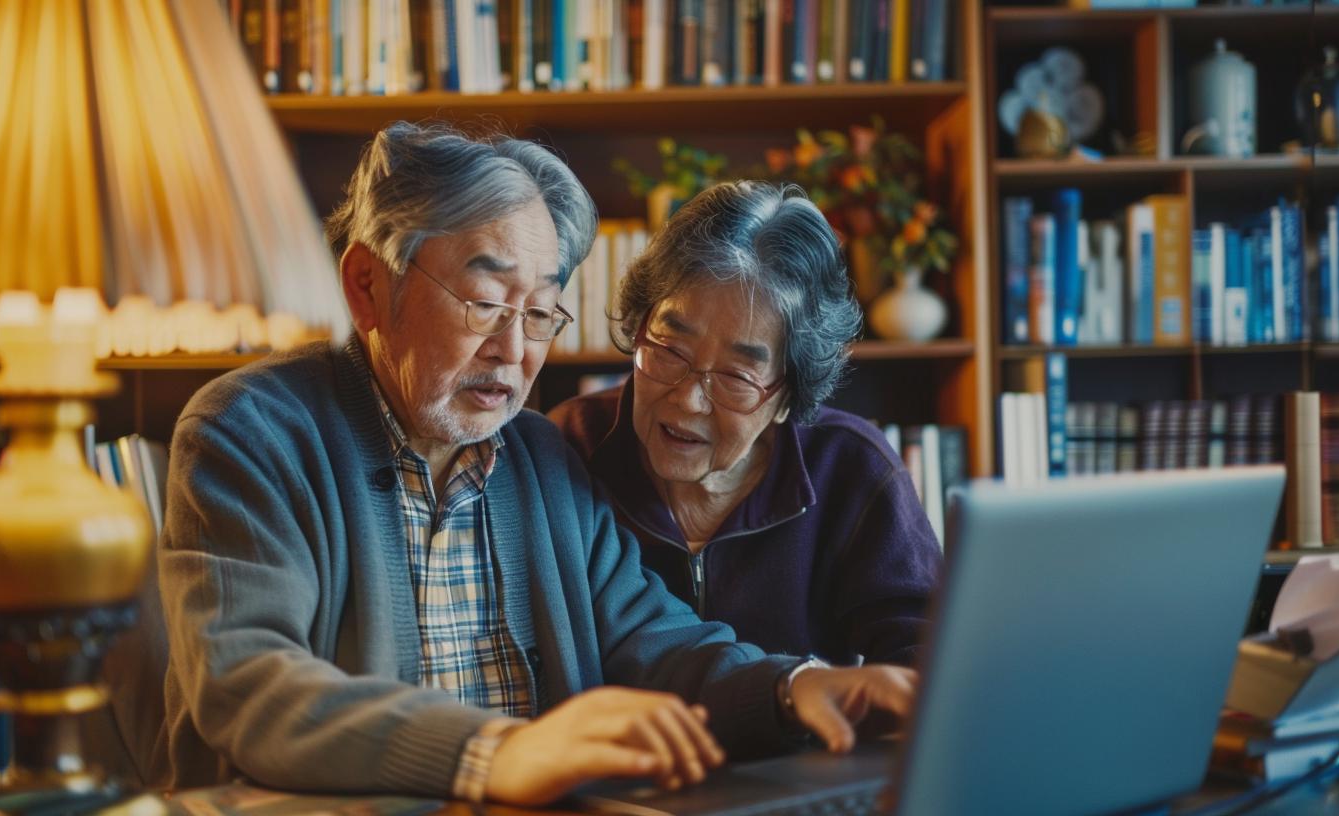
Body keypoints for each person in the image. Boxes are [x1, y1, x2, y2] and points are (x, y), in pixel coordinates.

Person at [153, 124, 919, 806]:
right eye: (486, 302)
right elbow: (247, 684)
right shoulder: (251, 432)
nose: (515, 352)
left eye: (540, 312)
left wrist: (795, 687)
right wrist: (494, 753)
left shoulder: (539, 456)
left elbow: (657, 639)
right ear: (369, 286)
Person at [549, 181, 942, 669]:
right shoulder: (567, 450)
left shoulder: (850, 467)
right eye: (670, 350)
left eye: (737, 376)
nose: (688, 400)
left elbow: (927, 662)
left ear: (787, 398)